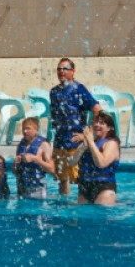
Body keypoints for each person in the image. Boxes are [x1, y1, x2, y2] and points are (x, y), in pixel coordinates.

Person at [49, 58, 103, 195]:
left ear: (72, 72)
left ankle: (83, 207)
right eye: (59, 69)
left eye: (65, 69)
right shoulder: (54, 92)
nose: (61, 71)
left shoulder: (79, 89)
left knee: (79, 178)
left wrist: (88, 133)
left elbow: (97, 109)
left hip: (75, 142)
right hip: (60, 141)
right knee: (62, 179)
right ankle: (65, 207)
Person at [73, 111, 120, 205]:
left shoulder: (111, 144)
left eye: (101, 123)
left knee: (99, 217)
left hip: (104, 188)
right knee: (83, 218)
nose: (97, 124)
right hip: (85, 187)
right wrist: (84, 146)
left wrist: (90, 142)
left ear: (109, 128)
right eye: (95, 122)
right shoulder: (86, 142)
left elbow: (101, 163)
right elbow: (72, 162)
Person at [13, 117, 55, 199]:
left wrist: (36, 159)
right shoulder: (21, 145)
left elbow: (52, 169)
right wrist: (15, 163)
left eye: (28, 129)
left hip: (37, 190)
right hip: (22, 189)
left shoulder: (44, 145)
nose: (25, 131)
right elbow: (15, 172)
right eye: (23, 129)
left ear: (37, 129)